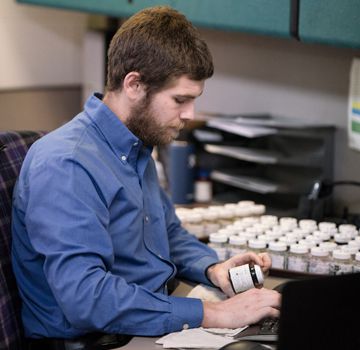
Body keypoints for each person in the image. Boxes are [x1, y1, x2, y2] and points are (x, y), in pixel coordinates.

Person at [11, 5, 280, 348]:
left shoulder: (135, 146)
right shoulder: (67, 164)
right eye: (180, 99)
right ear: (134, 84)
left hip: (144, 322)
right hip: (96, 340)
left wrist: (214, 270)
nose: (190, 114)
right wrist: (216, 313)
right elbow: (87, 298)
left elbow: (167, 235)